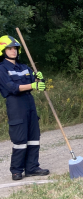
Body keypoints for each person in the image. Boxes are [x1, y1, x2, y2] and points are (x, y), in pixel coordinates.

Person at [0, 35, 49, 180]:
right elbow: (12, 87)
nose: (13, 51)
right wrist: (32, 85)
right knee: (20, 139)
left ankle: (32, 168)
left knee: (34, 137)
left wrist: (40, 79)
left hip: (29, 103)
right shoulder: (2, 69)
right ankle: (16, 170)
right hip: (16, 105)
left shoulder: (24, 67)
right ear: (3, 50)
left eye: (15, 48)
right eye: (10, 48)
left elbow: (37, 82)